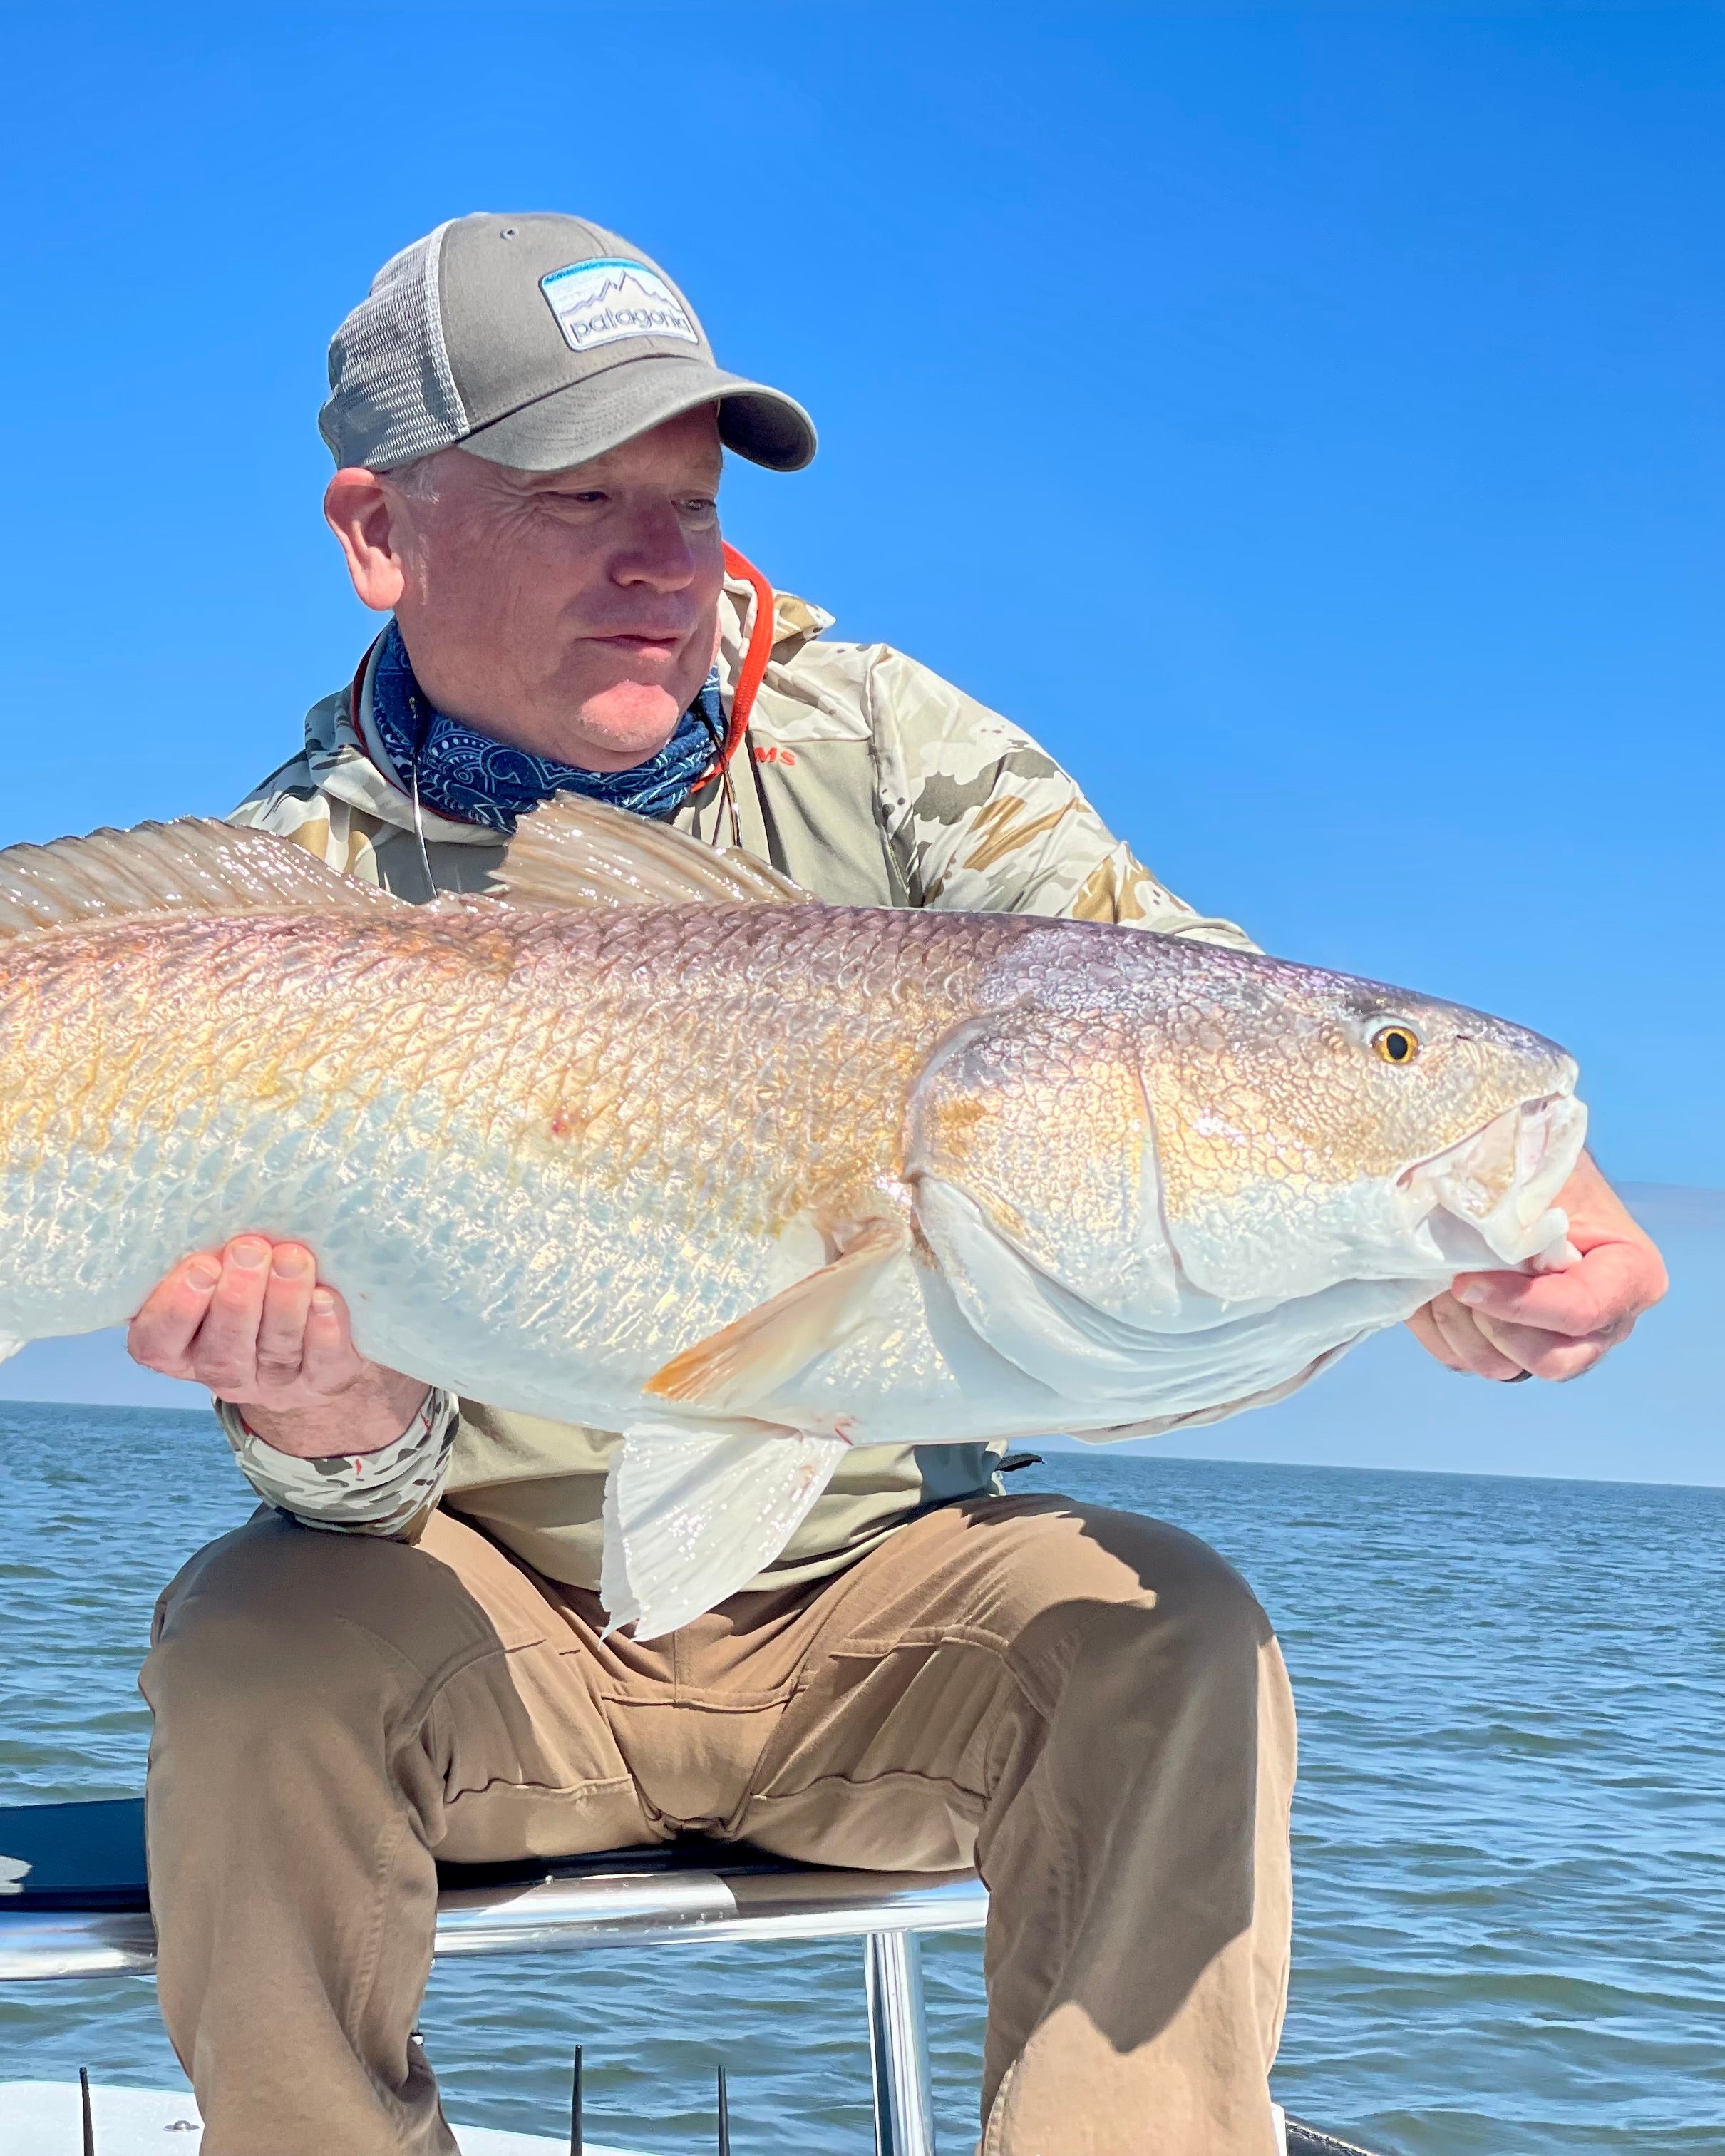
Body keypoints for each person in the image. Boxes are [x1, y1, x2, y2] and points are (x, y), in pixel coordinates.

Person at [129, 214, 1667, 2156]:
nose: (653, 559)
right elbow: (343, 1484)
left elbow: (1200, 1006)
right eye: (576, 493)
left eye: (683, 503)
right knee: (255, 1637)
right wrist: (323, 1418)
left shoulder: (878, 736)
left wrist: (1527, 1208)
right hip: (489, 1633)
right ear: (380, 530)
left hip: (877, 1623)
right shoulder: (265, 911)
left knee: (1166, 1634)